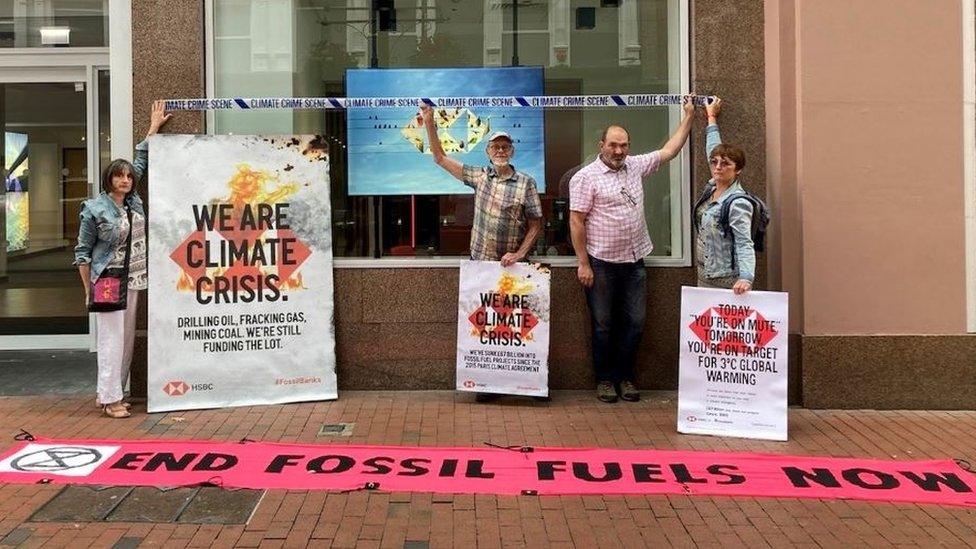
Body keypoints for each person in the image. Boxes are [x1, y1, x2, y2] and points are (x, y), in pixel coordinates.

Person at [569, 96, 694, 403]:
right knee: (603, 325)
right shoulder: (586, 178)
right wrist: (583, 263)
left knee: (635, 323)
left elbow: (669, 151)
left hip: (635, 262)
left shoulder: (634, 166)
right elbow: (576, 221)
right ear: (601, 145)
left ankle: (625, 377)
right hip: (601, 263)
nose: (619, 151)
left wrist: (689, 115)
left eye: (624, 145)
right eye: (613, 145)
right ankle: (605, 380)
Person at [419, 102, 544, 403]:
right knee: (488, 327)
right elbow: (439, 157)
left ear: (512, 151)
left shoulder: (526, 182)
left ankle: (527, 383)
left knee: (518, 327)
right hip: (483, 267)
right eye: (495, 147)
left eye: (505, 146)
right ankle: (488, 385)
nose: (500, 150)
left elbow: (536, 225)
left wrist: (518, 254)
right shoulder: (479, 177)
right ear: (488, 152)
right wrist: (430, 122)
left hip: (514, 269)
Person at [74, 101, 172, 418]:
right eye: (119, 176)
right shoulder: (94, 209)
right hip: (107, 280)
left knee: (126, 338)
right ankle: (110, 398)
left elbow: (141, 159)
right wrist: (89, 288)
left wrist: (153, 128)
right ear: (109, 179)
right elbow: (82, 253)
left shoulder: (133, 202)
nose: (126, 180)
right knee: (111, 341)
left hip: (134, 278)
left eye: (128, 176)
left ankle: (115, 392)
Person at [693, 97, 755, 294]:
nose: (718, 167)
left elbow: (744, 242)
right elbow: (713, 148)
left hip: (726, 281)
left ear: (738, 170)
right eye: (715, 162)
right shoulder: (713, 187)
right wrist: (711, 118)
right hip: (705, 274)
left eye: (726, 163)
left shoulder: (737, 203)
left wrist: (746, 277)